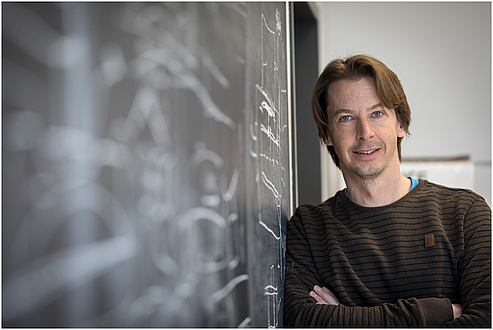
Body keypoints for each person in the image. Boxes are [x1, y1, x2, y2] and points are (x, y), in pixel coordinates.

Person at [283, 54, 491, 327]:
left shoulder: (464, 215)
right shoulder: (309, 229)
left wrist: (344, 318)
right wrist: (436, 312)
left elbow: (486, 320)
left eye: (377, 113)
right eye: (346, 118)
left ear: (401, 124)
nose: (365, 132)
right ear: (327, 135)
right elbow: (301, 320)